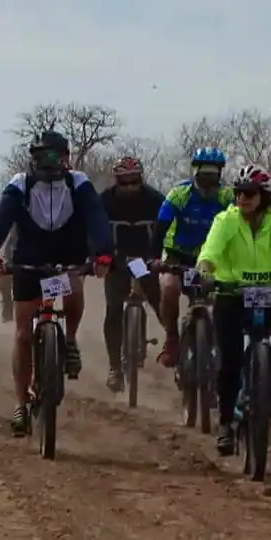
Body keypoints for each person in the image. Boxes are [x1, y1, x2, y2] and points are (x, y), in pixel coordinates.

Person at [0, 130, 112, 436]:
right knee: (23, 334)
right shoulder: (20, 184)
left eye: (54, 156)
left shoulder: (78, 183)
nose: (48, 163)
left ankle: (70, 340)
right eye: (41, 157)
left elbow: (97, 218)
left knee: (74, 286)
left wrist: (104, 253)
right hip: (29, 256)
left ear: (66, 158)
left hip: (68, 253)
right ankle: (21, 403)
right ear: (32, 158)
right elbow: (2, 218)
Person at [196, 163, 271, 455]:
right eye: (238, 193)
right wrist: (205, 270)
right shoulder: (225, 220)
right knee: (229, 362)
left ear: (264, 196)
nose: (242, 198)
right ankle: (225, 425)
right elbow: (210, 250)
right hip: (232, 293)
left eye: (249, 193)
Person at [152, 146, 233, 367]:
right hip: (177, 256)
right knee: (169, 288)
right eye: (203, 172)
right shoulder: (179, 194)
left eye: (213, 173)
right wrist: (155, 258)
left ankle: (223, 343)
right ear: (195, 171)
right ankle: (171, 337)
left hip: (212, 259)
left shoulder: (228, 197)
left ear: (220, 173)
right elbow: (160, 228)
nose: (208, 178)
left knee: (225, 298)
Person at [99, 155, 168, 393]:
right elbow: (93, 230)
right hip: (116, 260)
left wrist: (163, 257)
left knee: (160, 302)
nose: (129, 187)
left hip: (146, 259)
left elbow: (169, 229)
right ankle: (114, 368)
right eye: (124, 182)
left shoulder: (156, 200)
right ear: (116, 181)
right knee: (113, 310)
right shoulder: (104, 201)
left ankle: (175, 347)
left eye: (134, 181)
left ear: (141, 179)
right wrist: (97, 255)